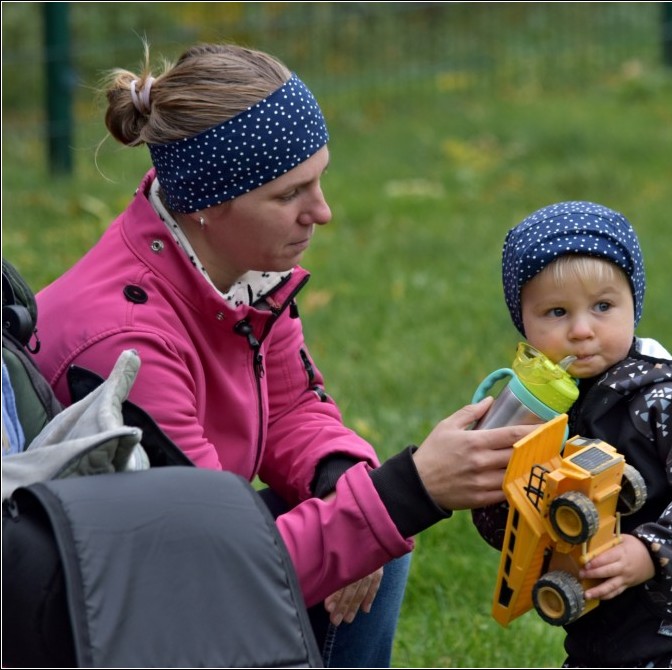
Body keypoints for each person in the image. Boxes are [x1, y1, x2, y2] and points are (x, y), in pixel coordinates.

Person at [31, 42, 531, 668]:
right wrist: (408, 491)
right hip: (101, 615)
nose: (321, 212)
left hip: (172, 560)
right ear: (212, 201)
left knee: (371, 529)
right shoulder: (125, 347)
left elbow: (294, 407)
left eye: (319, 180)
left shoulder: (226, 265)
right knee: (375, 520)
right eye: (291, 193)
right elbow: (216, 558)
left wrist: (346, 482)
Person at [472, 201, 672, 668]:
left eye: (603, 306)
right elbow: (508, 529)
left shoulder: (668, 397)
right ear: (522, 320)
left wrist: (652, 549)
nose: (582, 330)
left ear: (635, 303)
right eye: (556, 312)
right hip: (601, 636)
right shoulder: (539, 409)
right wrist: (493, 480)